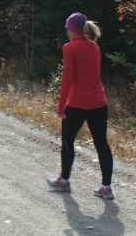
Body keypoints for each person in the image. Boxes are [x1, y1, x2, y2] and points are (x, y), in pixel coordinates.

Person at [47, 12, 114, 199]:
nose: (66, 31)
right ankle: (106, 187)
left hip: (77, 103)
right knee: (102, 143)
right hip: (99, 102)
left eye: (67, 28)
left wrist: (61, 106)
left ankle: (64, 181)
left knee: (68, 141)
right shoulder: (95, 46)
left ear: (72, 30)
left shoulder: (70, 48)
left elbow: (67, 79)